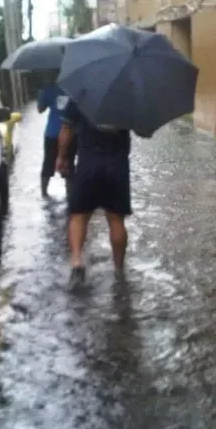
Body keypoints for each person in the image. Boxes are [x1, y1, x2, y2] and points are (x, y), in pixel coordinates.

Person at [56, 99, 131, 291]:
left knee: (79, 215)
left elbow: (66, 129)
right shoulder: (127, 97)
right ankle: (119, 270)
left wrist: (62, 156)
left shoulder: (81, 94)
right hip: (117, 163)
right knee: (116, 220)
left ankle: (76, 263)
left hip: (88, 161)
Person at [37, 72, 77, 198]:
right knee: (68, 163)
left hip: (52, 133)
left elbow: (40, 109)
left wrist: (42, 95)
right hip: (71, 133)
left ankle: (44, 193)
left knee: (48, 162)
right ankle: (70, 196)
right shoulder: (74, 89)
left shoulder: (48, 90)